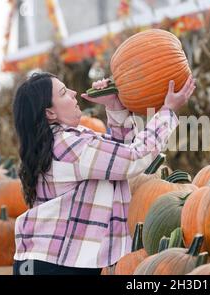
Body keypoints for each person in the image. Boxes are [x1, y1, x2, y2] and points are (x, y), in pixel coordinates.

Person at [12, 72, 195, 275]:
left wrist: (114, 107)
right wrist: (167, 111)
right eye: (64, 92)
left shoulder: (60, 141)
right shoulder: (67, 145)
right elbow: (133, 158)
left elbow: (117, 158)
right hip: (57, 265)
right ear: (50, 113)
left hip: (52, 261)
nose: (73, 93)